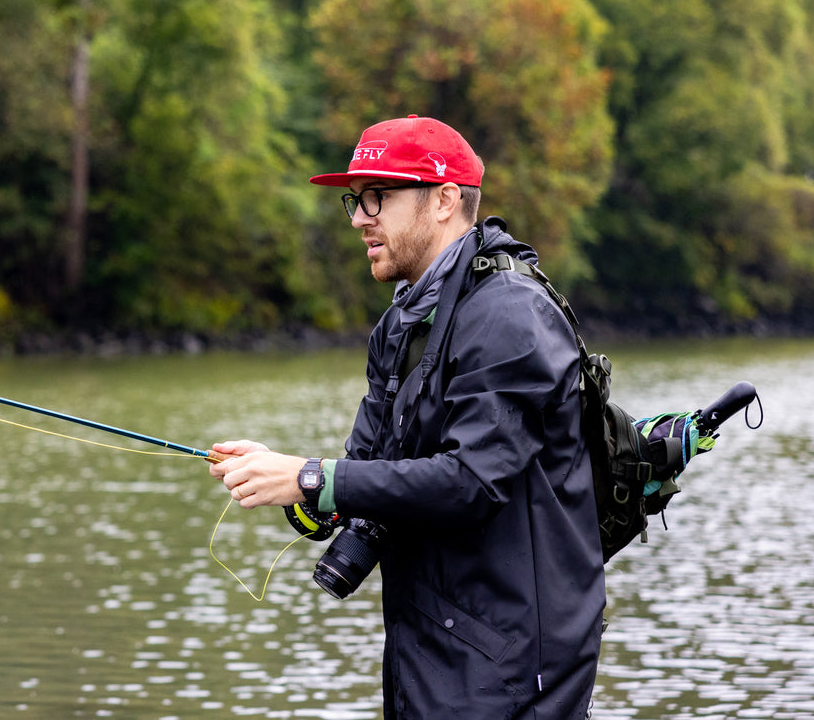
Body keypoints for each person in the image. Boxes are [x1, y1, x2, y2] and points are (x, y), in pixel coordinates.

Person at [209, 114, 604, 719]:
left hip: (515, 671)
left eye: (380, 196)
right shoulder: (399, 323)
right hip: (427, 651)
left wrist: (311, 475)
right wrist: (280, 481)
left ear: (445, 199)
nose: (361, 217)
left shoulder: (511, 314)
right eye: (355, 200)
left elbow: (472, 483)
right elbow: (366, 472)